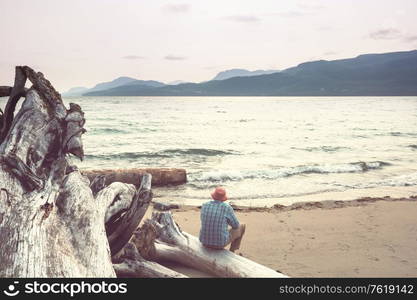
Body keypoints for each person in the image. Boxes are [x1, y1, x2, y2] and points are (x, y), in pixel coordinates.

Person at [199, 186, 246, 252]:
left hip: (204, 241)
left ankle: (231, 249)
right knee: (242, 225)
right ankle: (232, 250)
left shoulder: (205, 205)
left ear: (214, 196)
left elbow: (203, 219)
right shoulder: (226, 207)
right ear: (223, 198)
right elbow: (236, 225)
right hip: (219, 244)